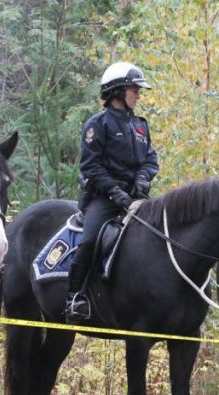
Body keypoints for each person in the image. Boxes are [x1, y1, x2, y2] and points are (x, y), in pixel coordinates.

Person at [65, 62, 158, 322]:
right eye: (134, 89)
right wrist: (115, 191)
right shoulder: (97, 124)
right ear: (117, 91)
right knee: (90, 240)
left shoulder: (140, 126)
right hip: (104, 199)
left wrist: (143, 177)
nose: (138, 95)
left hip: (135, 198)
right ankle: (76, 295)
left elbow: (151, 159)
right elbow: (90, 166)